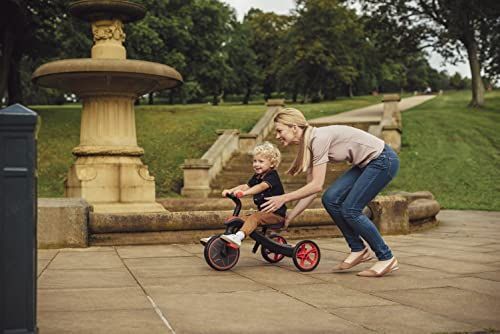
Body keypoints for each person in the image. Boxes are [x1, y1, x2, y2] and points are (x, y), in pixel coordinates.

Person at [261, 108, 399, 277]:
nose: (277, 135)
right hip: (366, 164)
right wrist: (291, 216)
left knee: (351, 209)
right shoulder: (309, 144)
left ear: (294, 127)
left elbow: (316, 185)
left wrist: (284, 198)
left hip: (383, 160)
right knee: (331, 198)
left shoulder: (318, 139)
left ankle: (386, 257)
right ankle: (358, 248)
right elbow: (311, 190)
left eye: (280, 130)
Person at [215, 142, 287, 248]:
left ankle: (238, 237)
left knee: (255, 217)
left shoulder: (272, 176)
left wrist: (244, 193)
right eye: (255, 161)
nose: (256, 164)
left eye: (261, 161)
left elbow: (261, 187)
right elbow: (246, 186)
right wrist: (231, 190)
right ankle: (220, 238)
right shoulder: (257, 176)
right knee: (240, 219)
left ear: (271, 164)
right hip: (264, 213)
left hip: (276, 215)